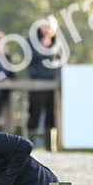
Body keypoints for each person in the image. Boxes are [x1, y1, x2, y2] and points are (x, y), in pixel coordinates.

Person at [26, 17, 61, 149]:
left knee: (52, 114)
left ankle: (50, 145)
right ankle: (30, 144)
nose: (47, 29)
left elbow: (60, 60)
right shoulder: (31, 41)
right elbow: (29, 59)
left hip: (53, 83)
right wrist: (42, 47)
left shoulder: (57, 42)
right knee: (34, 112)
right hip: (37, 82)